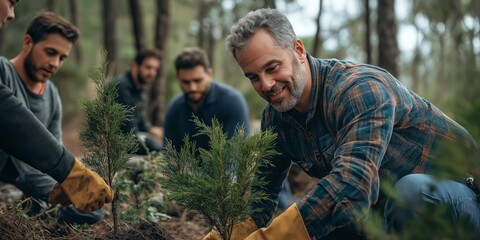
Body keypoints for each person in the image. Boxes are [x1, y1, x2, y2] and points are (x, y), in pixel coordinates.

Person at [204, 8, 480, 239]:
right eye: (253, 77)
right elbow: (262, 196)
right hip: (385, 215)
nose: (265, 85)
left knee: (410, 193)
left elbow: (352, 185)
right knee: (331, 223)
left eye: (272, 68)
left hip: (458, 201)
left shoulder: (358, 90)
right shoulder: (276, 119)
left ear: (298, 50)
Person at [0, 1, 112, 217]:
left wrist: (61, 186)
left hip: (38, 181)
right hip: (13, 177)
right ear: (27, 43)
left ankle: (35, 212)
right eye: (50, 52)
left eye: (62, 58)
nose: (54, 63)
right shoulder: (3, 72)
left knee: (93, 212)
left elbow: (55, 144)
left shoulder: (51, 95)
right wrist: (68, 172)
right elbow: (10, 119)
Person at [163, 47, 250, 151]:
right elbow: (169, 153)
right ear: (177, 77)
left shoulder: (233, 101)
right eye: (186, 82)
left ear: (209, 74)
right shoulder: (174, 108)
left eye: (197, 80)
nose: (192, 88)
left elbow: (236, 154)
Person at [111, 48, 163, 155]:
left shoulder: (139, 89)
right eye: (148, 67)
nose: (152, 73)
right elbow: (129, 136)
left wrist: (155, 131)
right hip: (117, 152)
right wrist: (161, 147)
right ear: (135, 66)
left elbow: (142, 122)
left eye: (155, 69)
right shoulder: (121, 87)